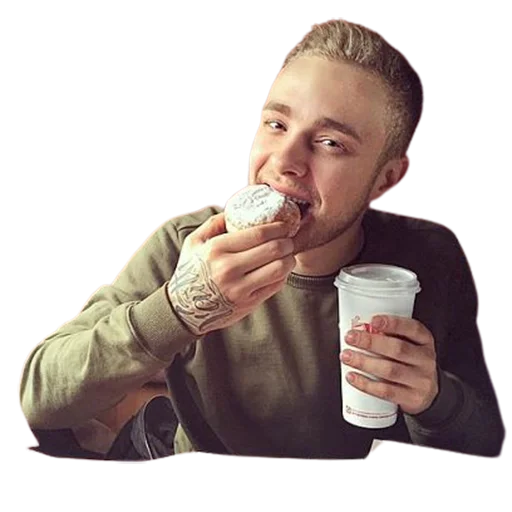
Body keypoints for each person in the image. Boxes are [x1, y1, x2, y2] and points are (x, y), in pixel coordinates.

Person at [19, 18, 505, 460]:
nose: (285, 160)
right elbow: (37, 396)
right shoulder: (189, 246)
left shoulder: (426, 258)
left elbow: (486, 439)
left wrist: (434, 399)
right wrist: (177, 310)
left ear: (385, 177)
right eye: (277, 124)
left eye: (331, 143)